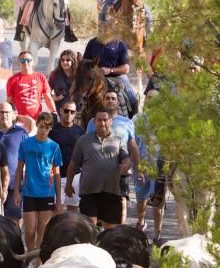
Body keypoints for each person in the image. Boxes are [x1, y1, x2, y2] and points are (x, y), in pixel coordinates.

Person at [65, 109, 131, 229]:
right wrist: (68, 184)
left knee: (111, 232)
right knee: (89, 228)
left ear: (110, 122)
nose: (102, 123)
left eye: (105, 120)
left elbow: (125, 157)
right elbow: (73, 164)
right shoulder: (83, 141)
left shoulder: (118, 140)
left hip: (111, 191)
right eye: (99, 120)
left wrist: (126, 164)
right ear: (94, 122)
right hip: (89, 191)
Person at [85, 91, 140, 222]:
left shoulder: (127, 122)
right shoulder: (93, 122)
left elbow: (133, 146)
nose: (110, 100)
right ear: (103, 101)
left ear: (118, 102)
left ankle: (119, 232)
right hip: (98, 170)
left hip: (121, 169)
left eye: (113, 98)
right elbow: (87, 145)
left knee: (121, 201)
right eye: (107, 98)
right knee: (99, 202)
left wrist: (138, 168)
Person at [14, 112, 62, 258]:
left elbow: (57, 173)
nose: (43, 131)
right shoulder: (26, 144)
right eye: (41, 127)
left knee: (42, 230)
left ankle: (37, 260)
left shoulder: (54, 147)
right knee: (29, 230)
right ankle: (30, 254)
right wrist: (16, 190)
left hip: (47, 193)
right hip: (29, 192)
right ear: (37, 125)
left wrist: (58, 200)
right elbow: (19, 168)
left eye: (47, 128)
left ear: (50, 128)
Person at [133, 89, 166, 244]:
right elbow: (133, 143)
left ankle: (157, 234)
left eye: (154, 99)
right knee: (141, 199)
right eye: (149, 98)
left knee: (158, 201)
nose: (151, 101)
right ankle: (141, 223)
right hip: (141, 165)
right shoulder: (137, 119)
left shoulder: (166, 121)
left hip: (160, 166)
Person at [83, 35, 139, 115]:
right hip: (94, 78)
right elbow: (85, 63)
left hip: (116, 77)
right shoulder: (92, 43)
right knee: (79, 94)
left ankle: (133, 120)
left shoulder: (120, 44)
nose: (102, 26)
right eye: (101, 23)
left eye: (106, 24)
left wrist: (110, 70)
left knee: (132, 98)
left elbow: (126, 68)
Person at [0, 102, 28, 225]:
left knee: (14, 222)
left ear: (14, 115)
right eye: (1, 112)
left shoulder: (21, 133)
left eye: (7, 112)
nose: (4, 115)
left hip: (15, 185)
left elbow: (28, 158)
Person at [6, 51, 56, 133]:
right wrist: (10, 116)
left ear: (33, 62)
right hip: (19, 121)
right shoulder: (12, 80)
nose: (26, 62)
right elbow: (9, 101)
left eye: (28, 60)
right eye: (22, 60)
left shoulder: (41, 77)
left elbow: (47, 97)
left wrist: (54, 112)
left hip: (37, 121)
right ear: (19, 63)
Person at [49, 100, 84, 213]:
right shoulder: (52, 131)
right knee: (56, 210)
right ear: (60, 111)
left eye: (72, 112)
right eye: (66, 111)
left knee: (73, 210)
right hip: (56, 176)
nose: (69, 114)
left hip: (76, 176)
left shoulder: (80, 132)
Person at [48, 49, 77, 114]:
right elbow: (47, 89)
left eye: (68, 60)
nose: (64, 62)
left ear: (73, 61)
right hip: (59, 108)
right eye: (62, 60)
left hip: (74, 109)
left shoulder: (78, 75)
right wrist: (53, 97)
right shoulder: (54, 74)